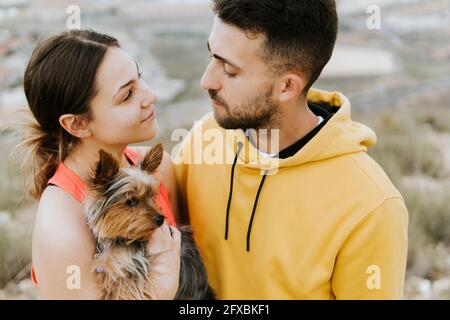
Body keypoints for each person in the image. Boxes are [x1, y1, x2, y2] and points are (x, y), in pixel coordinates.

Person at [175, 0, 409, 299]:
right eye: (211, 56)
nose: (206, 80)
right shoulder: (204, 138)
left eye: (230, 71)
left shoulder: (371, 205)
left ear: (287, 86)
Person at [17, 29, 181, 299]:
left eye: (139, 79)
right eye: (127, 94)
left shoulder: (158, 167)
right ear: (77, 123)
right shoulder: (61, 226)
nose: (150, 95)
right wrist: (161, 289)